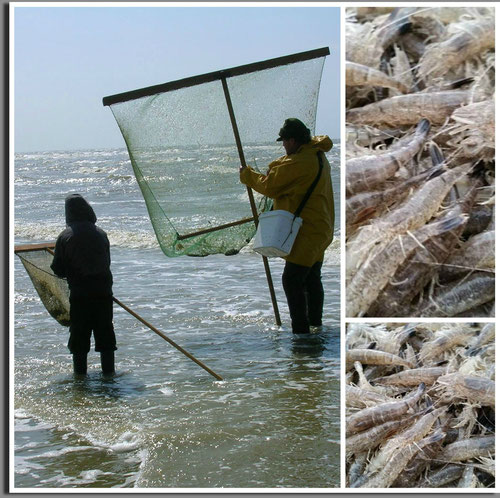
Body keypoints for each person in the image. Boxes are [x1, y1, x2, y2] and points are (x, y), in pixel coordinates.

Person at [240, 118, 334, 334]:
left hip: (308, 231)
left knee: (291, 279)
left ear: (293, 140)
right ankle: (315, 326)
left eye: (284, 141)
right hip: (322, 228)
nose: (283, 145)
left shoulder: (301, 163)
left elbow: (270, 185)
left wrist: (247, 175)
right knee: (311, 277)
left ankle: (301, 334)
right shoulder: (316, 154)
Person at [51, 193, 116, 375]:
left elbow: (58, 270)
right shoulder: (101, 234)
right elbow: (106, 262)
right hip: (104, 293)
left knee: (79, 339)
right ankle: (109, 377)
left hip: (80, 296)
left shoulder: (65, 237)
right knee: (106, 336)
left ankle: (80, 380)